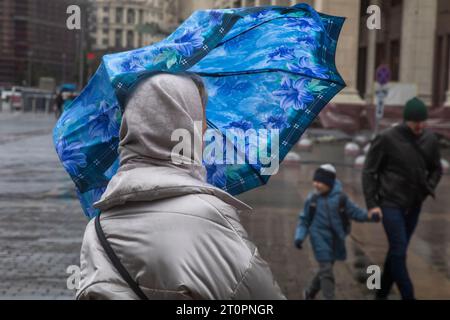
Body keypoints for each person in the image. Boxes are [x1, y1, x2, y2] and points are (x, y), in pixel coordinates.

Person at [76, 73, 285, 300]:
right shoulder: (209, 217)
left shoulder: (97, 228)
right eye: (200, 119)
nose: (204, 131)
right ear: (182, 126)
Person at [362, 97, 442, 300]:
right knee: (399, 250)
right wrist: (372, 204)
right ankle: (408, 295)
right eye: (416, 122)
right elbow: (369, 171)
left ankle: (381, 294)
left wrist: (428, 189)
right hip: (390, 203)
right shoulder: (387, 138)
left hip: (414, 204)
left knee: (397, 251)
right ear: (407, 120)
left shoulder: (430, 139)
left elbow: (436, 169)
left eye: (423, 121)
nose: (420, 126)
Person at [294, 164, 380, 300]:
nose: (316, 185)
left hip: (336, 239)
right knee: (327, 270)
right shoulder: (313, 200)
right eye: (315, 181)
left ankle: (309, 292)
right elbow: (304, 220)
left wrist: (370, 217)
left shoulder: (341, 199)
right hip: (318, 238)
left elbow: (356, 213)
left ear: (330, 183)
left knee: (325, 269)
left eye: (320, 182)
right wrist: (299, 237)